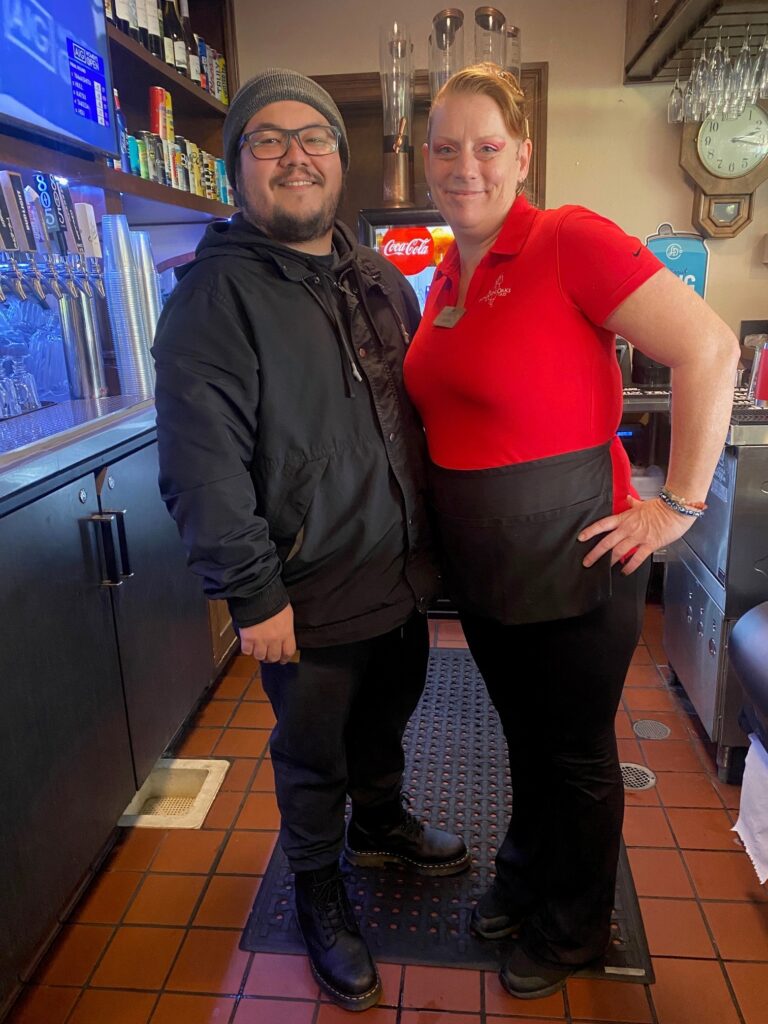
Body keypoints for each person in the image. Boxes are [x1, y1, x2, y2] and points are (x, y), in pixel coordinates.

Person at [403, 63, 740, 1000]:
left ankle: (576, 926)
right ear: (425, 160)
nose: (463, 165)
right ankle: (526, 875)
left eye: (485, 146)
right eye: (445, 148)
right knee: (522, 734)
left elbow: (708, 347)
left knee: (578, 753)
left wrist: (676, 502)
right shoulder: (443, 274)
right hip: (485, 565)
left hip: (572, 554)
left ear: (522, 154)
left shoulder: (567, 238)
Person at [152, 68, 470, 1013]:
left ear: (342, 156)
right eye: (268, 139)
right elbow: (202, 465)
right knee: (312, 752)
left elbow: (409, 411)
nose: (296, 155)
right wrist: (252, 593)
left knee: (387, 717)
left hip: (397, 571)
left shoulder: (374, 273)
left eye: (315, 138)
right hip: (306, 584)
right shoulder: (214, 299)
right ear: (236, 168)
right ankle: (319, 888)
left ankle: (380, 822)